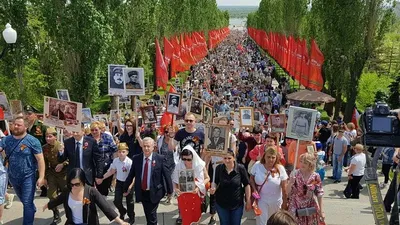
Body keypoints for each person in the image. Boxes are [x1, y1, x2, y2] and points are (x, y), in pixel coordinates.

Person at [0, 116, 46, 225]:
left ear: (25, 127)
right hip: (13, 177)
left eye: (18, 125)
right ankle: (31, 209)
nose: (15, 126)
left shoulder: (33, 141)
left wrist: (41, 176)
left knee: (26, 202)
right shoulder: (6, 139)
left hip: (28, 177)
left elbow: (40, 160)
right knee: (25, 201)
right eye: (14, 124)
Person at [43, 168, 129, 225]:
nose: (74, 187)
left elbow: (106, 208)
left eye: (77, 184)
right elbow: (58, 200)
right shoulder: (67, 191)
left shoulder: (91, 191)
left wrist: (120, 222)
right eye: (71, 184)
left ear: (83, 182)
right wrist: (48, 205)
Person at [123, 137, 173, 225]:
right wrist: (125, 188)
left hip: (155, 191)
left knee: (151, 213)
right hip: (142, 191)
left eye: (148, 146)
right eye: (144, 146)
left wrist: (170, 191)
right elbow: (131, 174)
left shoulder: (160, 159)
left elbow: (167, 175)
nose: (146, 148)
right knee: (148, 212)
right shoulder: (137, 159)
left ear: (153, 147)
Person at [209, 150, 251, 225]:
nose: (227, 160)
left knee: (236, 223)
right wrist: (213, 188)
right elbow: (215, 182)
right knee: (224, 223)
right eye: (225, 158)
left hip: (237, 204)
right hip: (222, 204)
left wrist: (248, 200)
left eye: (229, 158)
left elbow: (247, 185)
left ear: (234, 158)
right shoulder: (219, 168)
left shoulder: (240, 168)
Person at [250, 147, 288, 224]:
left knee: (274, 221)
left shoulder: (280, 168)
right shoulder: (257, 165)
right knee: (262, 222)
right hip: (261, 200)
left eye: (273, 157)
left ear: (276, 158)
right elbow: (251, 179)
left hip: (276, 201)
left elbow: (284, 188)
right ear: (264, 156)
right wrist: (254, 189)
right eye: (268, 157)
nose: (270, 159)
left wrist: (285, 203)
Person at [172, 145, 210, 224]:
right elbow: (175, 180)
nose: (186, 161)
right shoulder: (179, 166)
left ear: (193, 157)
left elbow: (207, 178)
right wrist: (176, 189)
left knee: (195, 217)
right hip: (183, 196)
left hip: (195, 195)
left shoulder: (200, 165)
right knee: (186, 218)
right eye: (184, 159)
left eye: (189, 159)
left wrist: (198, 187)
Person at [287, 153, 325, 225]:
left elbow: (319, 193)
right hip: (295, 204)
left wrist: (321, 211)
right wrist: (290, 183)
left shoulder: (315, 176)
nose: (302, 164)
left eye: (305, 162)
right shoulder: (295, 174)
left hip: (310, 205)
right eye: (301, 161)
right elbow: (287, 191)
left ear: (310, 164)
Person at [102, 143, 135, 224]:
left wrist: (130, 186)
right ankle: (122, 211)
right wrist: (102, 178)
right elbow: (111, 171)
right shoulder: (116, 160)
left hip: (128, 182)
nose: (121, 153)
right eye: (119, 151)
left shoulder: (129, 162)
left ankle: (131, 216)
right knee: (117, 201)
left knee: (129, 202)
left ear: (127, 152)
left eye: (123, 152)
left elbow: (134, 176)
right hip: (119, 182)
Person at [42, 127, 67, 225]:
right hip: (52, 173)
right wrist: (44, 177)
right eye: (46, 136)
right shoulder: (44, 148)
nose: (47, 138)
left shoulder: (61, 146)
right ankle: (56, 215)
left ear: (55, 137)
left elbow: (69, 159)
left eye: (50, 136)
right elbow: (44, 163)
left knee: (67, 194)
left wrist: (63, 164)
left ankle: (70, 213)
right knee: (51, 195)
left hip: (63, 174)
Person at [89, 121, 117, 196]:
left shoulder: (107, 137)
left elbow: (114, 151)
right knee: (92, 188)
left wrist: (114, 164)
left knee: (104, 189)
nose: (94, 132)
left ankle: (102, 202)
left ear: (100, 129)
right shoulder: (87, 138)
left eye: (96, 130)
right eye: (92, 130)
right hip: (92, 167)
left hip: (106, 167)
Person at [25, 105, 48, 197]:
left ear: (35, 115)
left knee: (41, 171)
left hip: (40, 153)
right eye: (26, 114)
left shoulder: (42, 126)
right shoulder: (24, 126)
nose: (27, 116)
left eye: (30, 114)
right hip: (28, 153)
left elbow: (47, 140)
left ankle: (44, 187)